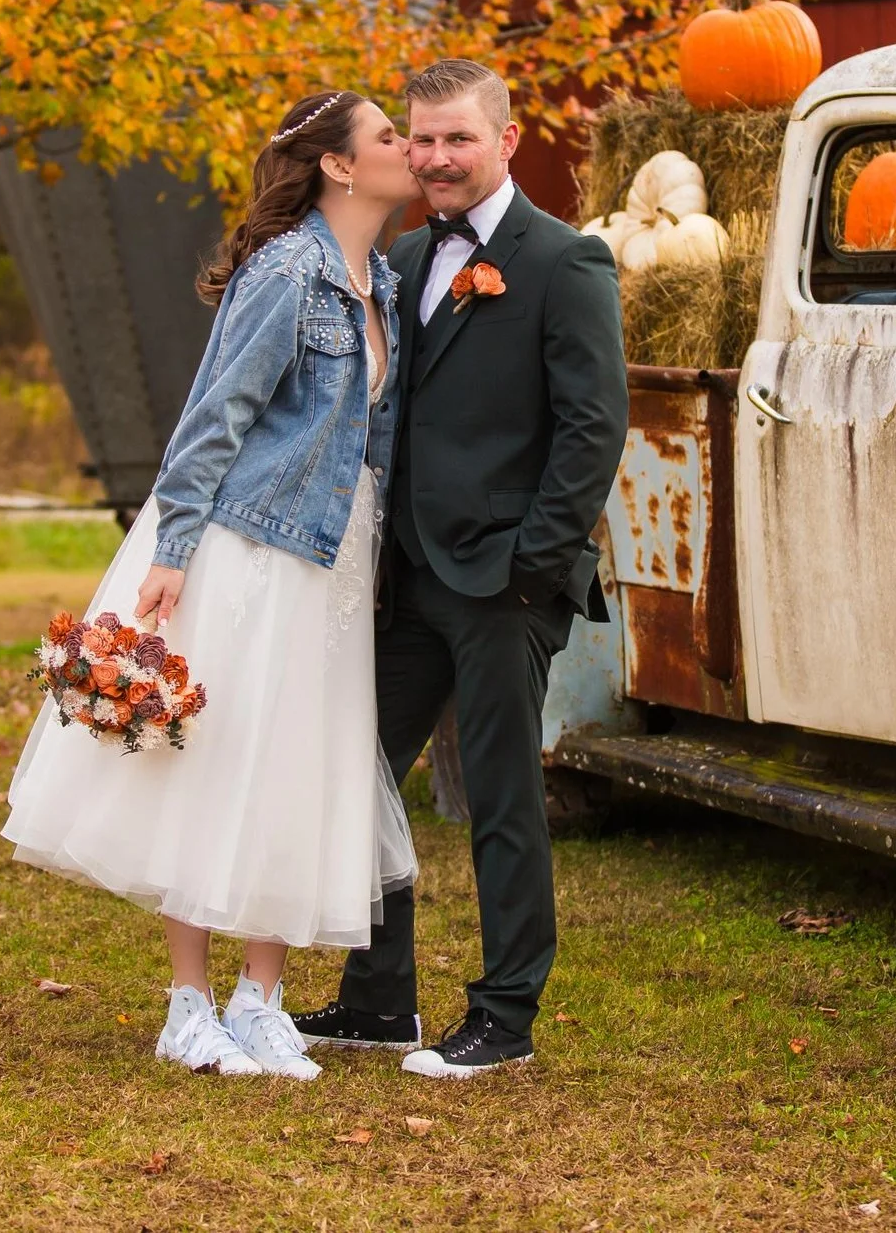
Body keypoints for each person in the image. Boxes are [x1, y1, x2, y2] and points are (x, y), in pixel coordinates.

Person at [1, 90, 420, 1079]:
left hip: (332, 558)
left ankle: (260, 997)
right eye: (389, 136)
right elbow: (212, 414)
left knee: (294, 764)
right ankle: (189, 1002)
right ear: (340, 167)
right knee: (210, 759)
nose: (408, 147)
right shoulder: (286, 271)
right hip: (247, 544)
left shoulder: (381, 284)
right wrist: (174, 547)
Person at [292, 58, 626, 1079]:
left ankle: (506, 1014)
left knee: (498, 792)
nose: (435, 157)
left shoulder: (564, 262)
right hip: (406, 579)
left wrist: (532, 565)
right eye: (421, 138)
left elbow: (591, 429)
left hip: (503, 582)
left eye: (457, 138)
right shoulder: (400, 257)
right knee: (359, 776)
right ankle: (378, 995)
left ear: (507, 141)